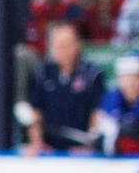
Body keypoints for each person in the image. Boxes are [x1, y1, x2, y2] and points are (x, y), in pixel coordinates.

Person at [23, 22, 106, 155]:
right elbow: (35, 111)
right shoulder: (43, 73)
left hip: (81, 148)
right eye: (57, 45)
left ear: (77, 44)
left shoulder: (92, 74)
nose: (62, 49)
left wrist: (90, 145)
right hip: (49, 147)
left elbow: (97, 113)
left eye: (66, 44)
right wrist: (37, 142)